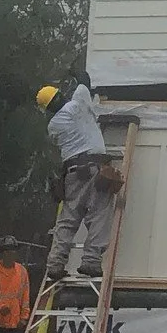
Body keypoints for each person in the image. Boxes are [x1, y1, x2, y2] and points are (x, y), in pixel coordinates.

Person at [38, 77, 117, 285]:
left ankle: (55, 263)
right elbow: (84, 79)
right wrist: (74, 74)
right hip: (93, 167)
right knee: (99, 212)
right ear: (61, 95)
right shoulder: (78, 102)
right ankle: (91, 260)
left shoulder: (53, 126)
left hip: (72, 172)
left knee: (68, 218)